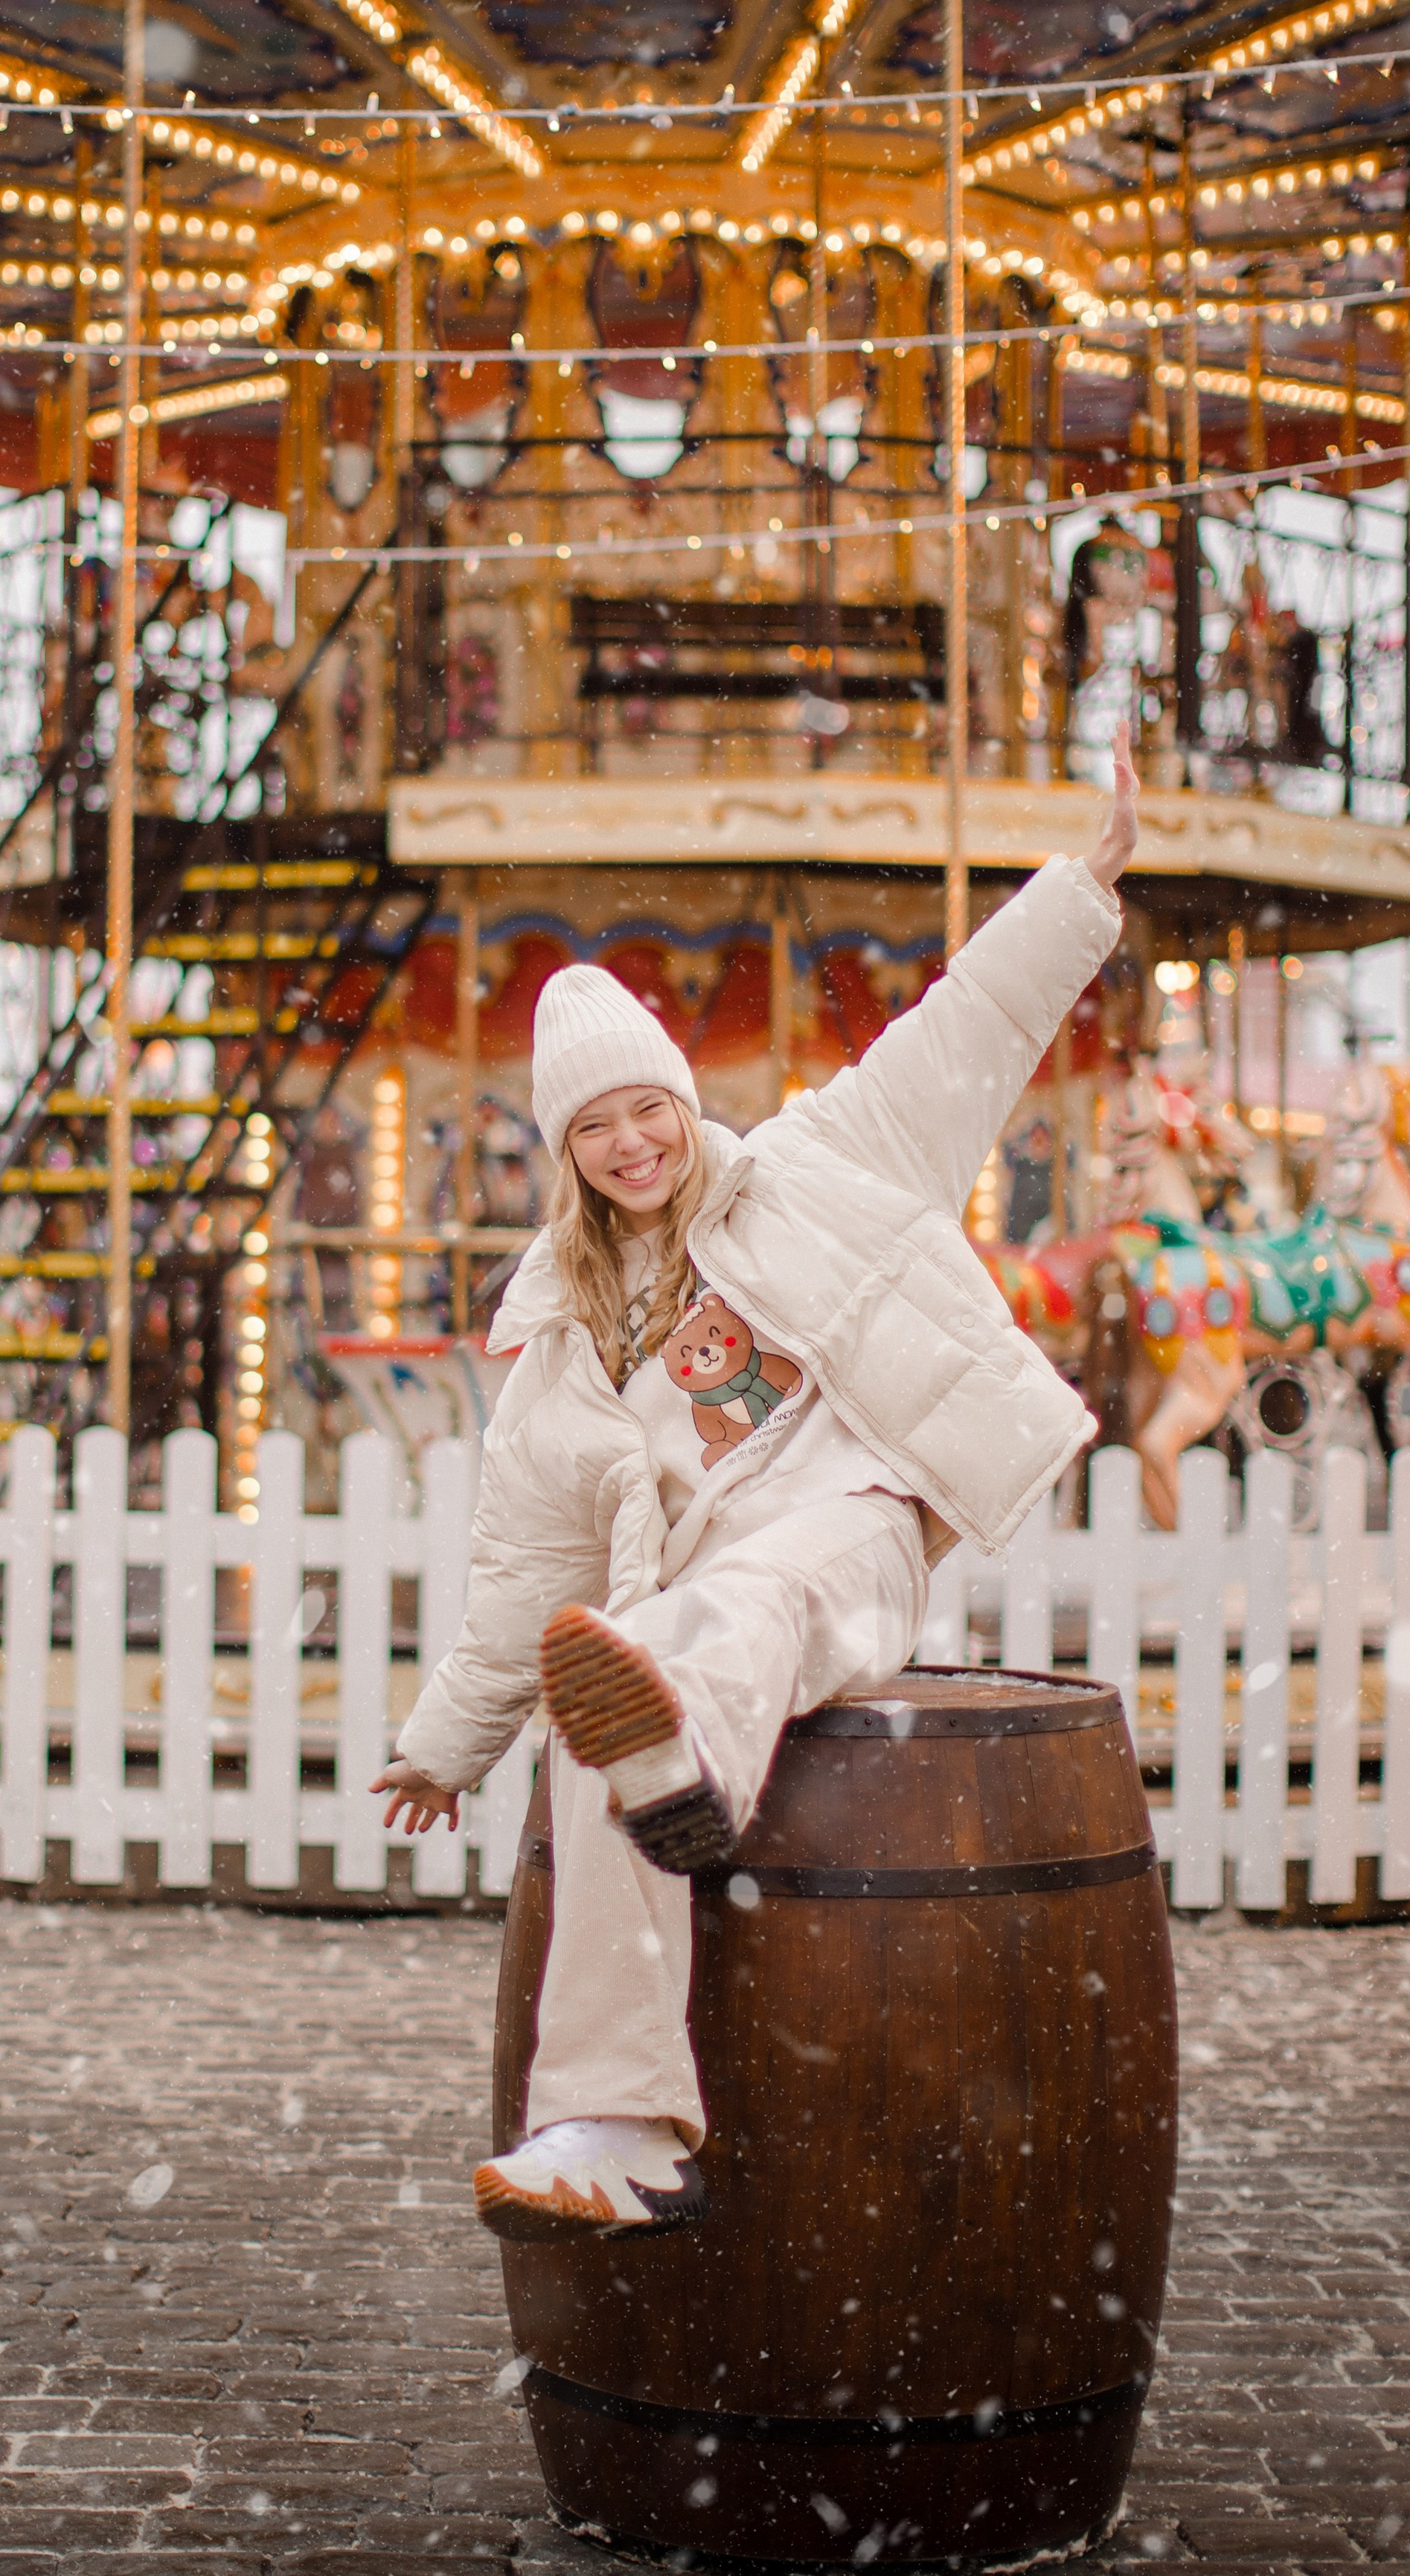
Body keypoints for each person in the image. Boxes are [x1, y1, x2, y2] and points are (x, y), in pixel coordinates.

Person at [372, 736, 1140, 2242]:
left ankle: (664, 1770)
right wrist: (445, 1745)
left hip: (846, 1524)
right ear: (566, 1155)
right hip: (671, 1620)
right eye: (595, 1127)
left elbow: (963, 1024)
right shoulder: (562, 1342)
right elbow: (522, 1561)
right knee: (612, 1677)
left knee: (746, 1605)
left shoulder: (814, 1158)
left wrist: (1081, 883)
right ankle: (608, 2122)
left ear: (679, 1097)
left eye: (644, 1107)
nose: (631, 1142)